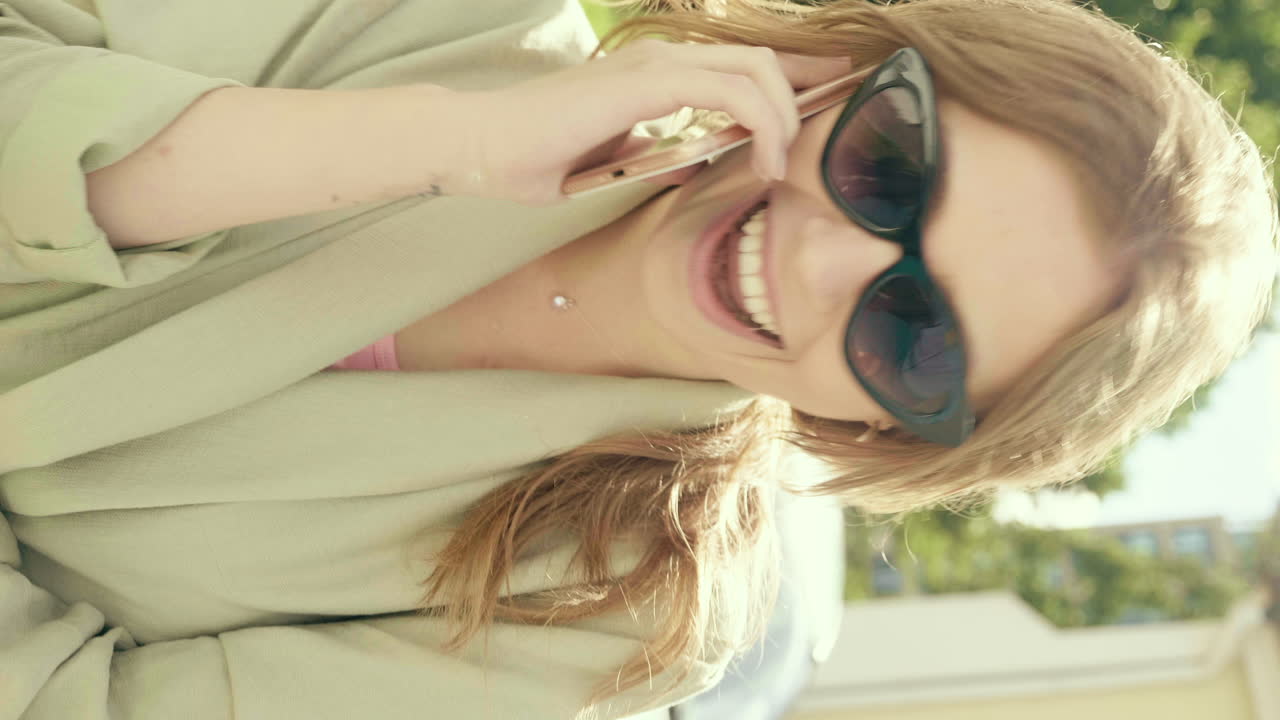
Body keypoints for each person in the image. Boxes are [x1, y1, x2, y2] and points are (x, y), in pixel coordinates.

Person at [0, 0, 1274, 718]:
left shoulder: (610, 620)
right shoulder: (452, 24)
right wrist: (432, 140)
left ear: (890, 428)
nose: (825, 267)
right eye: (887, 167)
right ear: (840, 71)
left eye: (916, 334)